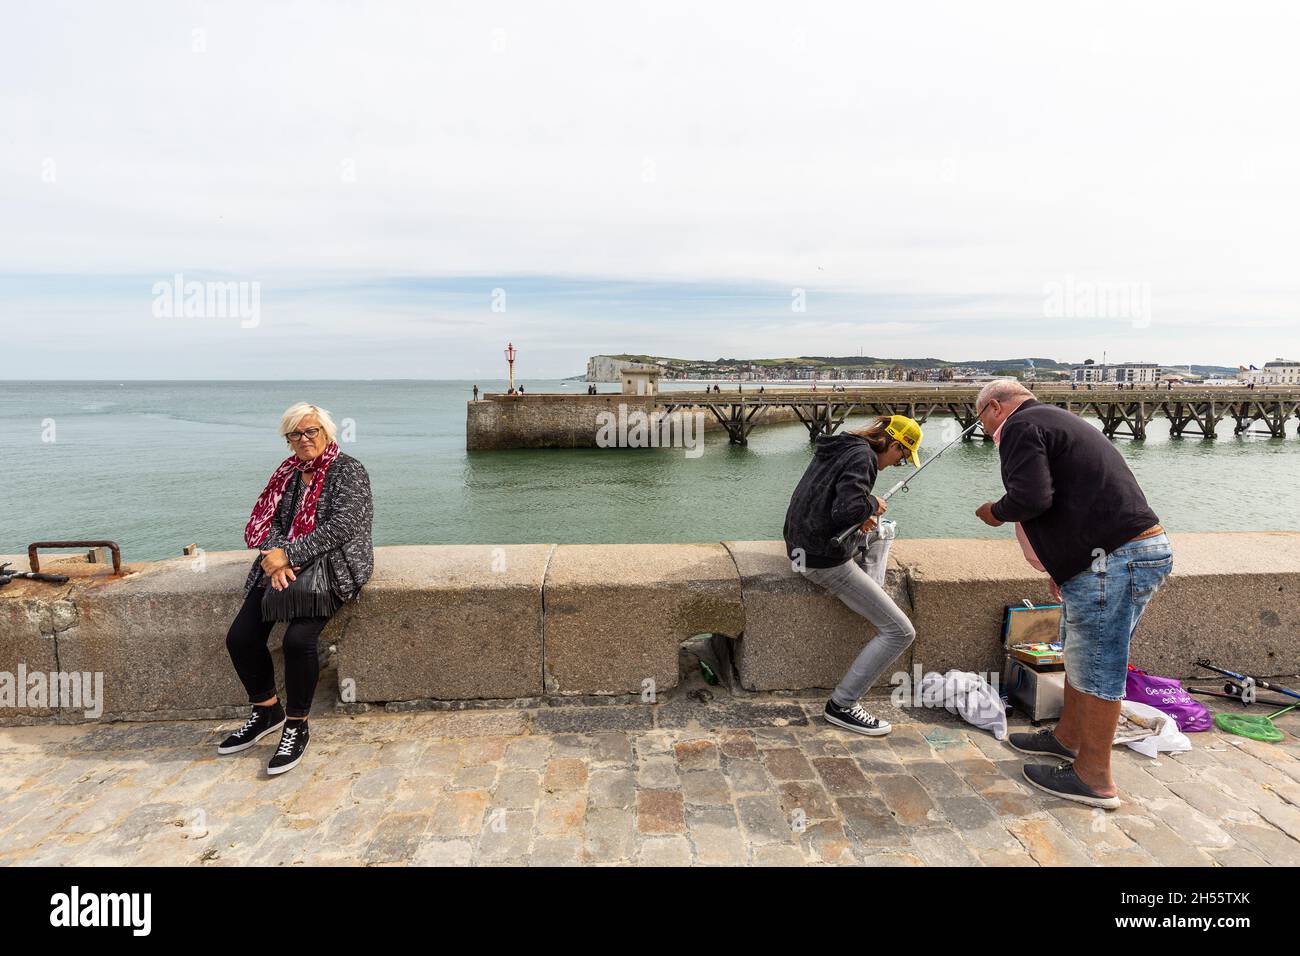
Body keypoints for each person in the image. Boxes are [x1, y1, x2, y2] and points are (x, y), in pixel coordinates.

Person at [973, 380, 1171, 810]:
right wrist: (1064, 566)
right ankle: (1067, 739)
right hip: (1119, 555)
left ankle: (1094, 778)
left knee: (1099, 665)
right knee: (1083, 657)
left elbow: (1031, 497)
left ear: (995, 407)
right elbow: (1069, 499)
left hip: (1114, 560)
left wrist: (994, 512)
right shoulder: (1055, 419)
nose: (984, 430)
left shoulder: (1019, 426)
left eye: (981, 419)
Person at [219, 403, 374, 775]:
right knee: (241, 637)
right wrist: (278, 557)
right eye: (295, 434)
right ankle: (266, 711)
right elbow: (269, 522)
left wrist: (289, 555)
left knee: (298, 640)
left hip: (333, 566)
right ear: (288, 439)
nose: (304, 439)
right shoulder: (286, 474)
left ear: (326, 433)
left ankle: (296, 724)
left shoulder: (349, 471)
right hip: (282, 566)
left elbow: (343, 526)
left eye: (311, 431)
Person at [783, 415, 923, 736]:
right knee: (901, 632)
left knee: (883, 532)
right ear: (894, 444)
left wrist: (863, 515)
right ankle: (843, 705)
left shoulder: (844, 446)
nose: (897, 464)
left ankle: (871, 589)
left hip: (800, 544)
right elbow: (845, 510)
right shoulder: (864, 458)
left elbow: (832, 502)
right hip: (822, 559)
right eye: (902, 457)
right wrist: (871, 503)